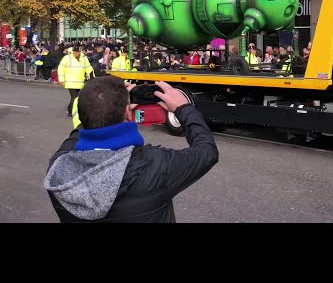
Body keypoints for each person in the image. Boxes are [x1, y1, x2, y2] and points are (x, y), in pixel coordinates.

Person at [43, 77, 219, 223]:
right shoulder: (155, 166)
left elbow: (81, 132)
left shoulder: (58, 169)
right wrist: (184, 108)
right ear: (128, 113)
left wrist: (103, 108)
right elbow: (206, 151)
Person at [57, 45, 93, 117]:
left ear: (80, 52)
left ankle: (72, 109)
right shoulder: (67, 58)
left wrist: (91, 76)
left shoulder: (84, 58)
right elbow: (61, 69)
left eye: (77, 51)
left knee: (78, 97)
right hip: (70, 82)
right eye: (74, 51)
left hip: (80, 82)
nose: (75, 53)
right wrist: (61, 79)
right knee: (74, 97)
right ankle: (71, 111)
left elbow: (89, 68)